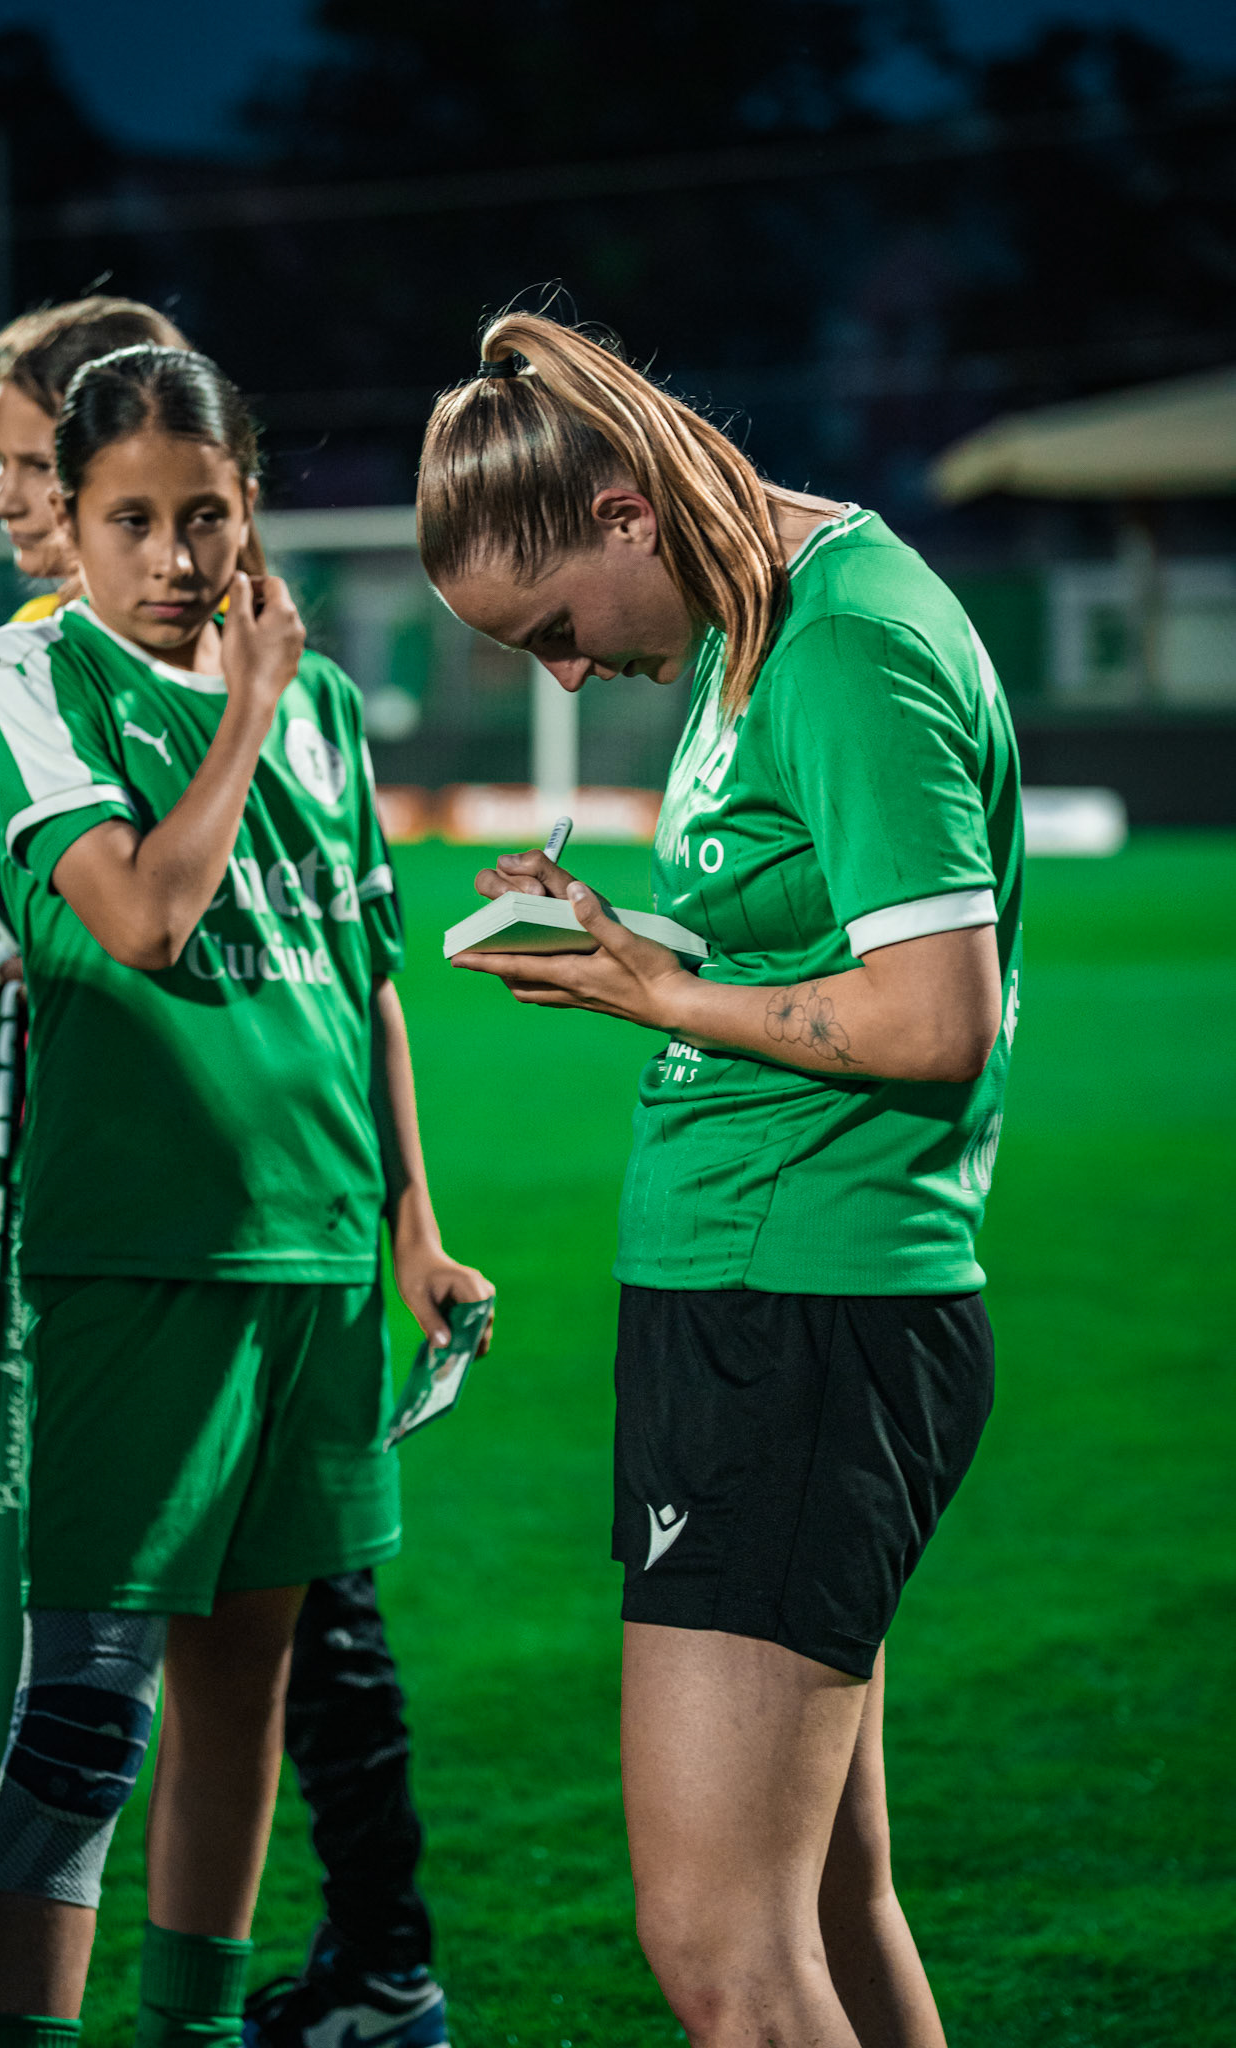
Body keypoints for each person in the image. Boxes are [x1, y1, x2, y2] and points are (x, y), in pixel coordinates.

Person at [418, 311, 1022, 2048]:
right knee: (827, 1910)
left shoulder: (842, 641)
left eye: (550, 633)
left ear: (622, 510)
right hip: (767, 1300)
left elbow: (933, 1019)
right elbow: (819, 927)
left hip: (803, 1313)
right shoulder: (763, 622)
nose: (563, 674)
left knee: (721, 1957)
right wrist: (639, 943)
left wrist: (667, 996)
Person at [0, 299, 453, 2048]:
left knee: (251, 1693)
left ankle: (204, 2031)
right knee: (81, 1714)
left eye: (204, 514)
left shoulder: (330, 708)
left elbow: (365, 977)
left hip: (315, 1263)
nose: (175, 553)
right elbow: (141, 913)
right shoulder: (35, 670)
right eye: (131, 516)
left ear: (251, 499)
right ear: (83, 511)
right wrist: (243, 712)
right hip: (135, 1259)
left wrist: (416, 1227)